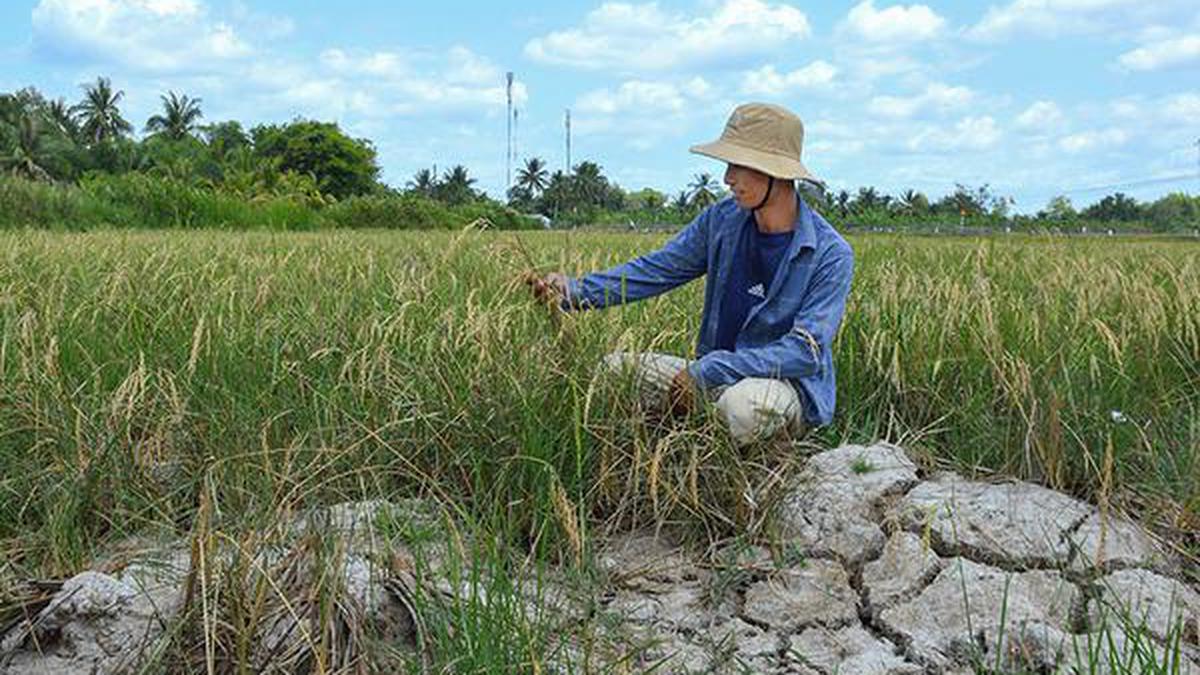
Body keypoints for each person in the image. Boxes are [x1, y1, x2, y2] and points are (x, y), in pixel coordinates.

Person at [525, 102, 854, 446]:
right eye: (729, 165)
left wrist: (707, 371)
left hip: (779, 387)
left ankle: (771, 451)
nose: (728, 178)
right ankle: (680, 441)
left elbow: (804, 351)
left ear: (776, 173)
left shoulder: (830, 254)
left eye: (740, 166)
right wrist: (575, 291)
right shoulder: (721, 221)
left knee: (741, 408)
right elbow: (656, 269)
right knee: (613, 372)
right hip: (712, 377)